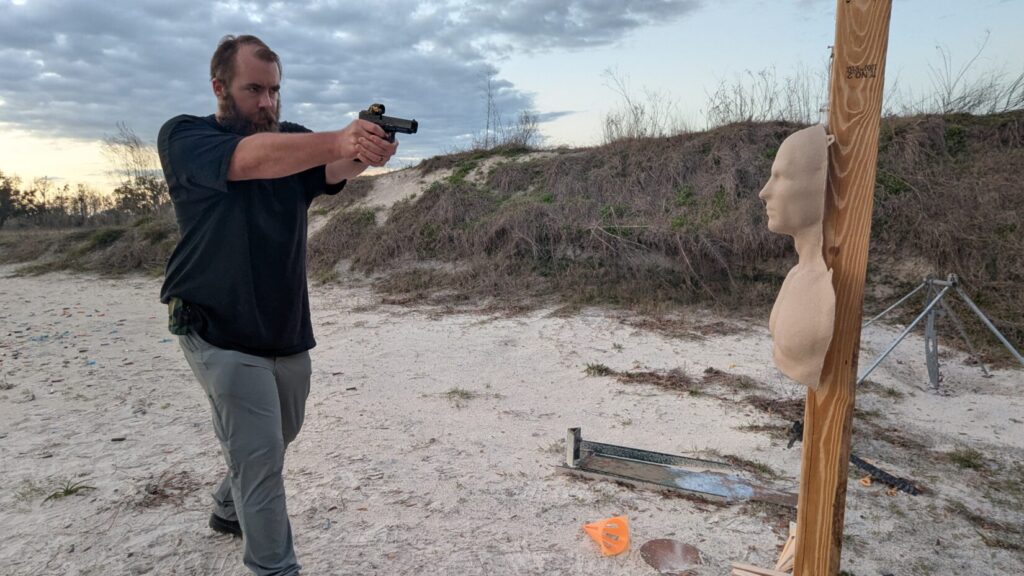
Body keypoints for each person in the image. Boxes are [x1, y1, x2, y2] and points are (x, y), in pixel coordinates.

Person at [157, 34, 398, 576]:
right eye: (254, 90)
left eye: (274, 90)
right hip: (212, 323)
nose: (267, 102)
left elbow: (334, 171)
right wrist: (339, 139)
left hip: (283, 324)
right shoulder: (186, 136)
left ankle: (225, 507)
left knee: (277, 435)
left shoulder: (290, 141)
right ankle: (273, 567)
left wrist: (365, 149)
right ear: (220, 87)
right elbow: (249, 162)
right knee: (261, 457)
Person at [758, 124, 835, 389]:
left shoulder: (826, 284)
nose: (765, 192)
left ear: (817, 183)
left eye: (781, 177)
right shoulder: (797, 274)